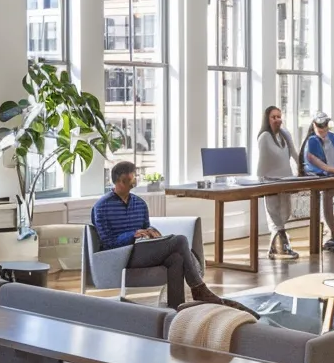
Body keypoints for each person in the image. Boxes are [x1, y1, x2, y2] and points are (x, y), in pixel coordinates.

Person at [92, 161, 252, 313]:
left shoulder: (140, 204)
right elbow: (107, 242)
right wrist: (132, 235)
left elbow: (146, 228)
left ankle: (176, 308)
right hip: (121, 255)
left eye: (133, 180)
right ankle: (198, 288)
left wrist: (151, 232)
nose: (132, 184)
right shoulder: (102, 206)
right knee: (180, 240)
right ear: (116, 181)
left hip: (142, 249)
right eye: (127, 181)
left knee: (176, 258)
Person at [301, 112, 334, 253]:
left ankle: (328, 229)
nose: (322, 128)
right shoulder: (312, 141)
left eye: (324, 125)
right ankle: (329, 235)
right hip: (320, 176)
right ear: (314, 125)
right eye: (319, 125)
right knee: (327, 196)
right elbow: (317, 163)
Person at [255, 106, 301, 259]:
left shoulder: (284, 134)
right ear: (267, 119)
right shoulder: (264, 137)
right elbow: (265, 160)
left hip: (286, 179)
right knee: (274, 212)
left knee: (286, 211)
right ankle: (282, 245)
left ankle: (275, 246)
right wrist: (261, 180)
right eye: (273, 117)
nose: (277, 120)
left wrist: (301, 167)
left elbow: (293, 152)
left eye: (279, 117)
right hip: (270, 180)